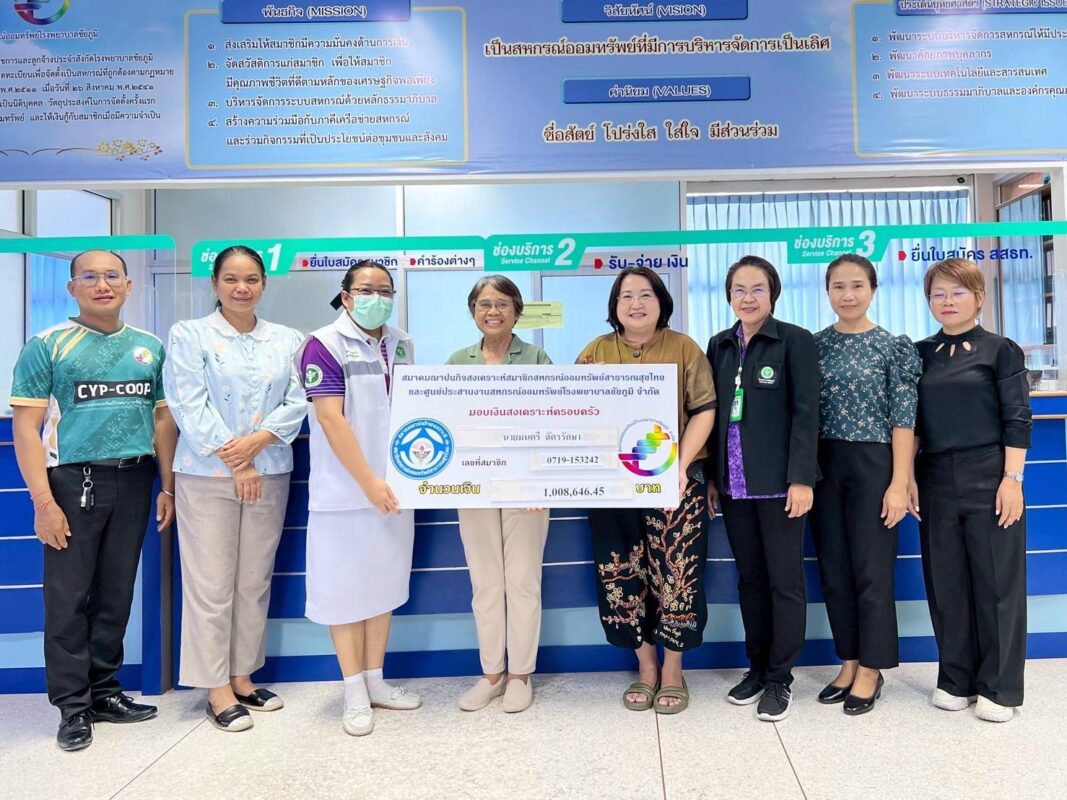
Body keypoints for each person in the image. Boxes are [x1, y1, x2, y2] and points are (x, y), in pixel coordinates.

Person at [9, 250, 176, 751]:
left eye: (111, 276)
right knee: (68, 598)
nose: (102, 284)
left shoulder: (149, 347)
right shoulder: (47, 345)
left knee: (115, 594)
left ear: (128, 285)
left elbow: (162, 420)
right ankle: (72, 707)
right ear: (72, 288)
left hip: (135, 478)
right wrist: (43, 502)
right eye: (90, 276)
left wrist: (167, 486)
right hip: (71, 482)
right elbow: (26, 428)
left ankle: (105, 692)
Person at [164, 245, 307, 732]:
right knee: (211, 584)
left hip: (271, 470)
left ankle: (242, 676)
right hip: (207, 475)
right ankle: (215, 688)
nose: (241, 288)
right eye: (231, 279)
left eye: (251, 279)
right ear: (215, 283)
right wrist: (238, 459)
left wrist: (259, 443)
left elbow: (298, 399)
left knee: (253, 580)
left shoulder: (288, 339)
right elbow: (187, 403)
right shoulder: (190, 335)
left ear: (265, 284)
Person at [577, 266, 716, 715]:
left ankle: (673, 668)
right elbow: (574, 411)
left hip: (675, 479)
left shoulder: (684, 348)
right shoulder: (595, 352)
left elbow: (704, 409)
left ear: (661, 302)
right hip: (612, 484)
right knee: (620, 569)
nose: (635, 304)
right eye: (626, 296)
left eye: (645, 295)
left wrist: (680, 464)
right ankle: (646, 664)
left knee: (676, 571)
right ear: (614, 306)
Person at [296, 259, 420, 737]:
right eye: (366, 290)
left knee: (382, 586)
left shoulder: (403, 343)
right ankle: (352, 690)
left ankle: (376, 681)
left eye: (385, 291)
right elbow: (331, 418)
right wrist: (368, 481)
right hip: (345, 492)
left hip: (395, 489)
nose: (377, 298)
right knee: (345, 592)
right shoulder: (323, 344)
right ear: (346, 296)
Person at [912, 258, 1030, 723]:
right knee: (946, 582)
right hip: (935, 476)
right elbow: (912, 422)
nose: (947, 301)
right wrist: (908, 478)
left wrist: (1012, 480)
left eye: (957, 292)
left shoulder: (1000, 350)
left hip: (990, 473)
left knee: (997, 583)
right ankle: (955, 679)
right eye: (938, 294)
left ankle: (999, 688)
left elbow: (1017, 417)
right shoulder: (919, 353)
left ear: (979, 297)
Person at [706, 255, 819, 723]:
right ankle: (756, 667)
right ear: (728, 296)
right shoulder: (719, 345)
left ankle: (780, 677)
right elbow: (711, 414)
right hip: (734, 486)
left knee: (784, 582)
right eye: (739, 289)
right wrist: (712, 478)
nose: (748, 298)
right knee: (750, 580)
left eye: (757, 289)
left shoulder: (794, 340)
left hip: (779, 487)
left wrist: (801, 478)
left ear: (773, 294)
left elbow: (807, 413)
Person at [810, 254, 920, 715]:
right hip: (824, 465)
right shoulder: (814, 346)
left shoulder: (892, 347)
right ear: (827, 292)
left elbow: (904, 420)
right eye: (838, 286)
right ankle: (849, 661)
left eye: (857, 285)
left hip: (875, 464)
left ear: (873, 290)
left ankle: (872, 668)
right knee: (834, 570)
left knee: (872, 571)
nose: (848, 295)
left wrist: (899, 482)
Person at [446, 275, 552, 714]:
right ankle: (491, 674)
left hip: (525, 485)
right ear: (473, 311)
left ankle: (520, 674)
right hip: (473, 484)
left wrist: (542, 480)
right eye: (485, 304)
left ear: (517, 311)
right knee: (485, 583)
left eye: (503, 304)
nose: (493, 311)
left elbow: (553, 420)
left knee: (522, 581)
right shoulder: (457, 362)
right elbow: (445, 421)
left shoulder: (537, 358)